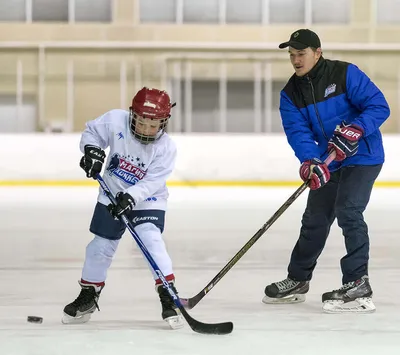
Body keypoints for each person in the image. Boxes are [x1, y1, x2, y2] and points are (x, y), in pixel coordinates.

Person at [262, 29, 390, 313]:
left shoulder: (345, 74)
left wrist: (356, 129)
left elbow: (379, 106)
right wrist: (310, 161)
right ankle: (297, 280)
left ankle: (357, 282)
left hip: (364, 156)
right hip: (329, 162)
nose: (296, 60)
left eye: (301, 54)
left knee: (349, 210)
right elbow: (298, 132)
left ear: (317, 52)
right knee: (315, 219)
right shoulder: (290, 94)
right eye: (292, 55)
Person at [62, 87, 184, 329]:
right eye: (142, 123)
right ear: (132, 115)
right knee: (100, 246)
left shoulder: (166, 148)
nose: (148, 130)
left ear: (164, 122)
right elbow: (92, 134)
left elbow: (152, 182)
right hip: (112, 193)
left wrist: (130, 197)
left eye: (155, 125)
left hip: (148, 199)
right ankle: (88, 294)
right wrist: (92, 151)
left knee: (151, 239)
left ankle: (167, 294)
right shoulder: (115, 120)